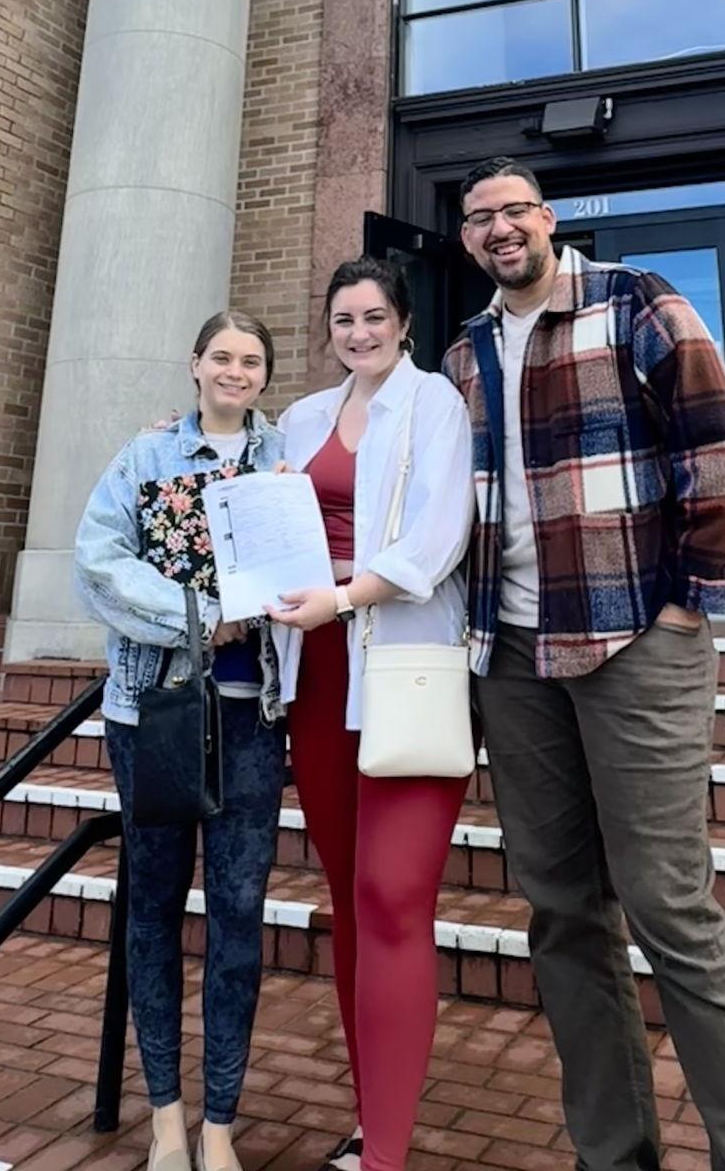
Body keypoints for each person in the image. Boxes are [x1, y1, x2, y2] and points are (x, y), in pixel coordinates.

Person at [443, 157, 725, 1171]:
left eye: (514, 210)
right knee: (559, 909)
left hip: (630, 639)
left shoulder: (631, 298)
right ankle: (614, 1154)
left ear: (546, 218)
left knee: (668, 903)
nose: (499, 228)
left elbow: (723, 445)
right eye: (480, 217)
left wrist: (692, 601)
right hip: (512, 655)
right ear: (467, 237)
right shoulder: (463, 352)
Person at [270, 256, 475, 1171]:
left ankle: (385, 1156)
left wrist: (344, 597)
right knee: (351, 900)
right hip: (313, 674)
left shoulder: (435, 404)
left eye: (375, 316)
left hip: (401, 665)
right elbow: (261, 514)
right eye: (344, 319)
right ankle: (370, 1119)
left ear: (404, 323)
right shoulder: (303, 417)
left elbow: (438, 538)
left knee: (394, 897)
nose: (360, 332)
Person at [74, 311, 291, 1171]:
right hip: (154, 714)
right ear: (193, 364)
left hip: (250, 721)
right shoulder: (148, 456)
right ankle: (165, 1114)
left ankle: (220, 1124)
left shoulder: (286, 460)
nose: (235, 372)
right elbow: (98, 561)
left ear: (265, 375)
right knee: (155, 910)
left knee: (237, 918)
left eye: (252, 360)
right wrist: (200, 618)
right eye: (222, 357)